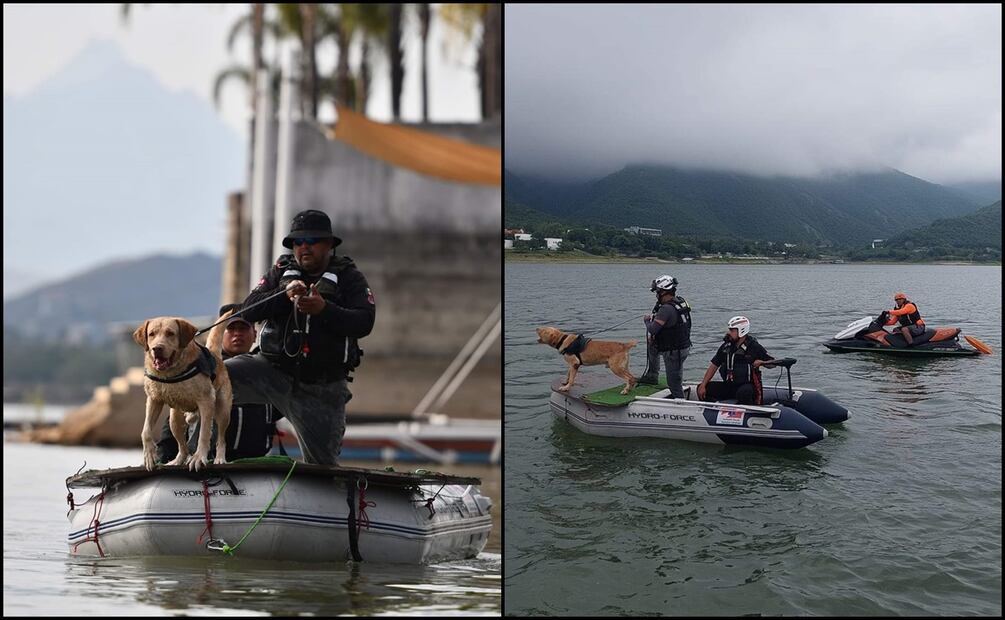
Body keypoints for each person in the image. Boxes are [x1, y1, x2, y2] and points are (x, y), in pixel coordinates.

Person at [225, 209, 375, 465]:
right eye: (298, 242)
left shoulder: (350, 277)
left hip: (321, 386)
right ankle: (195, 461)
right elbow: (247, 309)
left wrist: (324, 309)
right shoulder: (280, 271)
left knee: (323, 467)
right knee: (209, 380)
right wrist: (283, 296)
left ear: (329, 245)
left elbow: (364, 322)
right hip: (271, 370)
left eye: (312, 241)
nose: (304, 247)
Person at [156, 304, 284, 463]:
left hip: (255, 464)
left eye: (243, 328)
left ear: (255, 333)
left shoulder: (265, 372)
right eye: (231, 329)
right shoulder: (200, 369)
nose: (237, 334)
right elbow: (175, 415)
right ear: (220, 333)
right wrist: (163, 457)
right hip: (207, 463)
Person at [696, 316, 775, 406]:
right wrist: (703, 384)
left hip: (746, 386)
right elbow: (714, 365)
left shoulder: (754, 347)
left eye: (732, 330)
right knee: (703, 388)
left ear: (742, 331)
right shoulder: (726, 347)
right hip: (729, 385)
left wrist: (762, 363)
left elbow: (772, 363)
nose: (728, 332)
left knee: (744, 392)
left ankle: (745, 412)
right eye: (729, 330)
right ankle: (713, 411)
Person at [639, 275, 692, 398]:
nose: (656, 295)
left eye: (657, 292)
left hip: (674, 351)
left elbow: (653, 329)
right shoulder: (681, 302)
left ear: (663, 292)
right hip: (683, 346)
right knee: (651, 345)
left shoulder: (666, 309)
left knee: (673, 383)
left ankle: (680, 403)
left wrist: (647, 320)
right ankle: (652, 376)